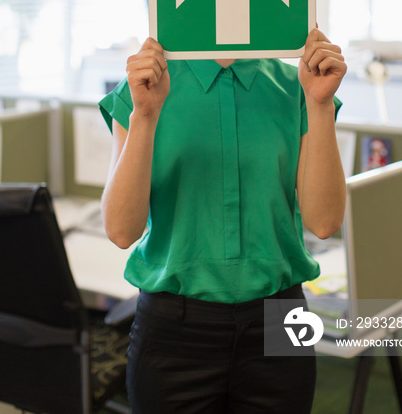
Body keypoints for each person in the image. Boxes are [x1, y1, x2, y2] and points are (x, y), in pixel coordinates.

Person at [99, 27, 347, 414]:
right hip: (174, 327)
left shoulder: (297, 85)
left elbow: (325, 221)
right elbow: (120, 230)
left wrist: (319, 105)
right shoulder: (146, 87)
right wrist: (145, 115)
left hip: (281, 317)